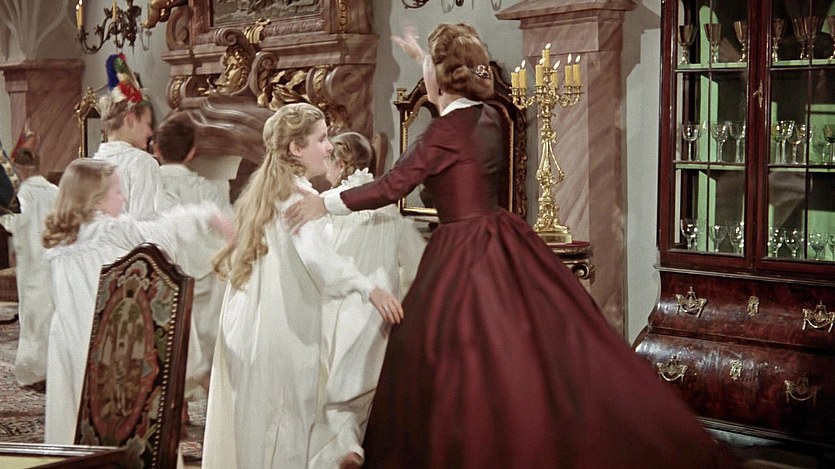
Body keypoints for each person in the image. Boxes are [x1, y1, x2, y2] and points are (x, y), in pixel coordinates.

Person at [286, 23, 739, 468]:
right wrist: (425, 59)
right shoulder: (487, 117)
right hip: (500, 237)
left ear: (439, 79)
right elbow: (450, 111)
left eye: (429, 71)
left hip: (462, 249)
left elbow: (391, 186)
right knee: (518, 352)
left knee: (453, 356)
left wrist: (324, 204)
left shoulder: (444, 132)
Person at [201, 103, 403, 469]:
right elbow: (319, 259)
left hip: (253, 326)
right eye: (322, 139)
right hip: (282, 330)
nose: (329, 147)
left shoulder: (270, 190)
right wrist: (369, 288)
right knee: (284, 430)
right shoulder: (297, 198)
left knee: (258, 428)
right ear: (296, 148)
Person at [41, 158, 233, 445]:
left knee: (72, 414)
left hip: (68, 340)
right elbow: (163, 231)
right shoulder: (109, 231)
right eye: (118, 191)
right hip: (105, 343)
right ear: (96, 200)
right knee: (116, 418)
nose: (124, 198)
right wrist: (207, 215)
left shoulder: (60, 242)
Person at [308, 132, 426, 469]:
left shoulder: (328, 204)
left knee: (329, 389)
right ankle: (352, 448)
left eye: (330, 159)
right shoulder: (388, 208)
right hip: (378, 314)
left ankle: (343, 451)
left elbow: (319, 260)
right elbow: (416, 260)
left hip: (340, 308)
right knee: (359, 389)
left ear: (341, 163)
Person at [155, 111, 231, 398]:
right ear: (192, 152)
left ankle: (176, 399)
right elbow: (225, 228)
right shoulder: (206, 189)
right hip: (202, 274)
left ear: (156, 149)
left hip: (163, 270)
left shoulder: (151, 183)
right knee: (201, 335)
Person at [0, 131, 58, 387]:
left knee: (32, 318)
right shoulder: (56, 191)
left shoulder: (19, 196)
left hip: (31, 263)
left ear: (18, 170)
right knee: (52, 315)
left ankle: (33, 372)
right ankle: (53, 368)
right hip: (54, 262)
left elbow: (11, 223)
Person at [92, 53, 160, 220]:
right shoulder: (142, 163)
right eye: (147, 123)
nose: (150, 132)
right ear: (130, 119)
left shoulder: (90, 164)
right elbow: (145, 226)